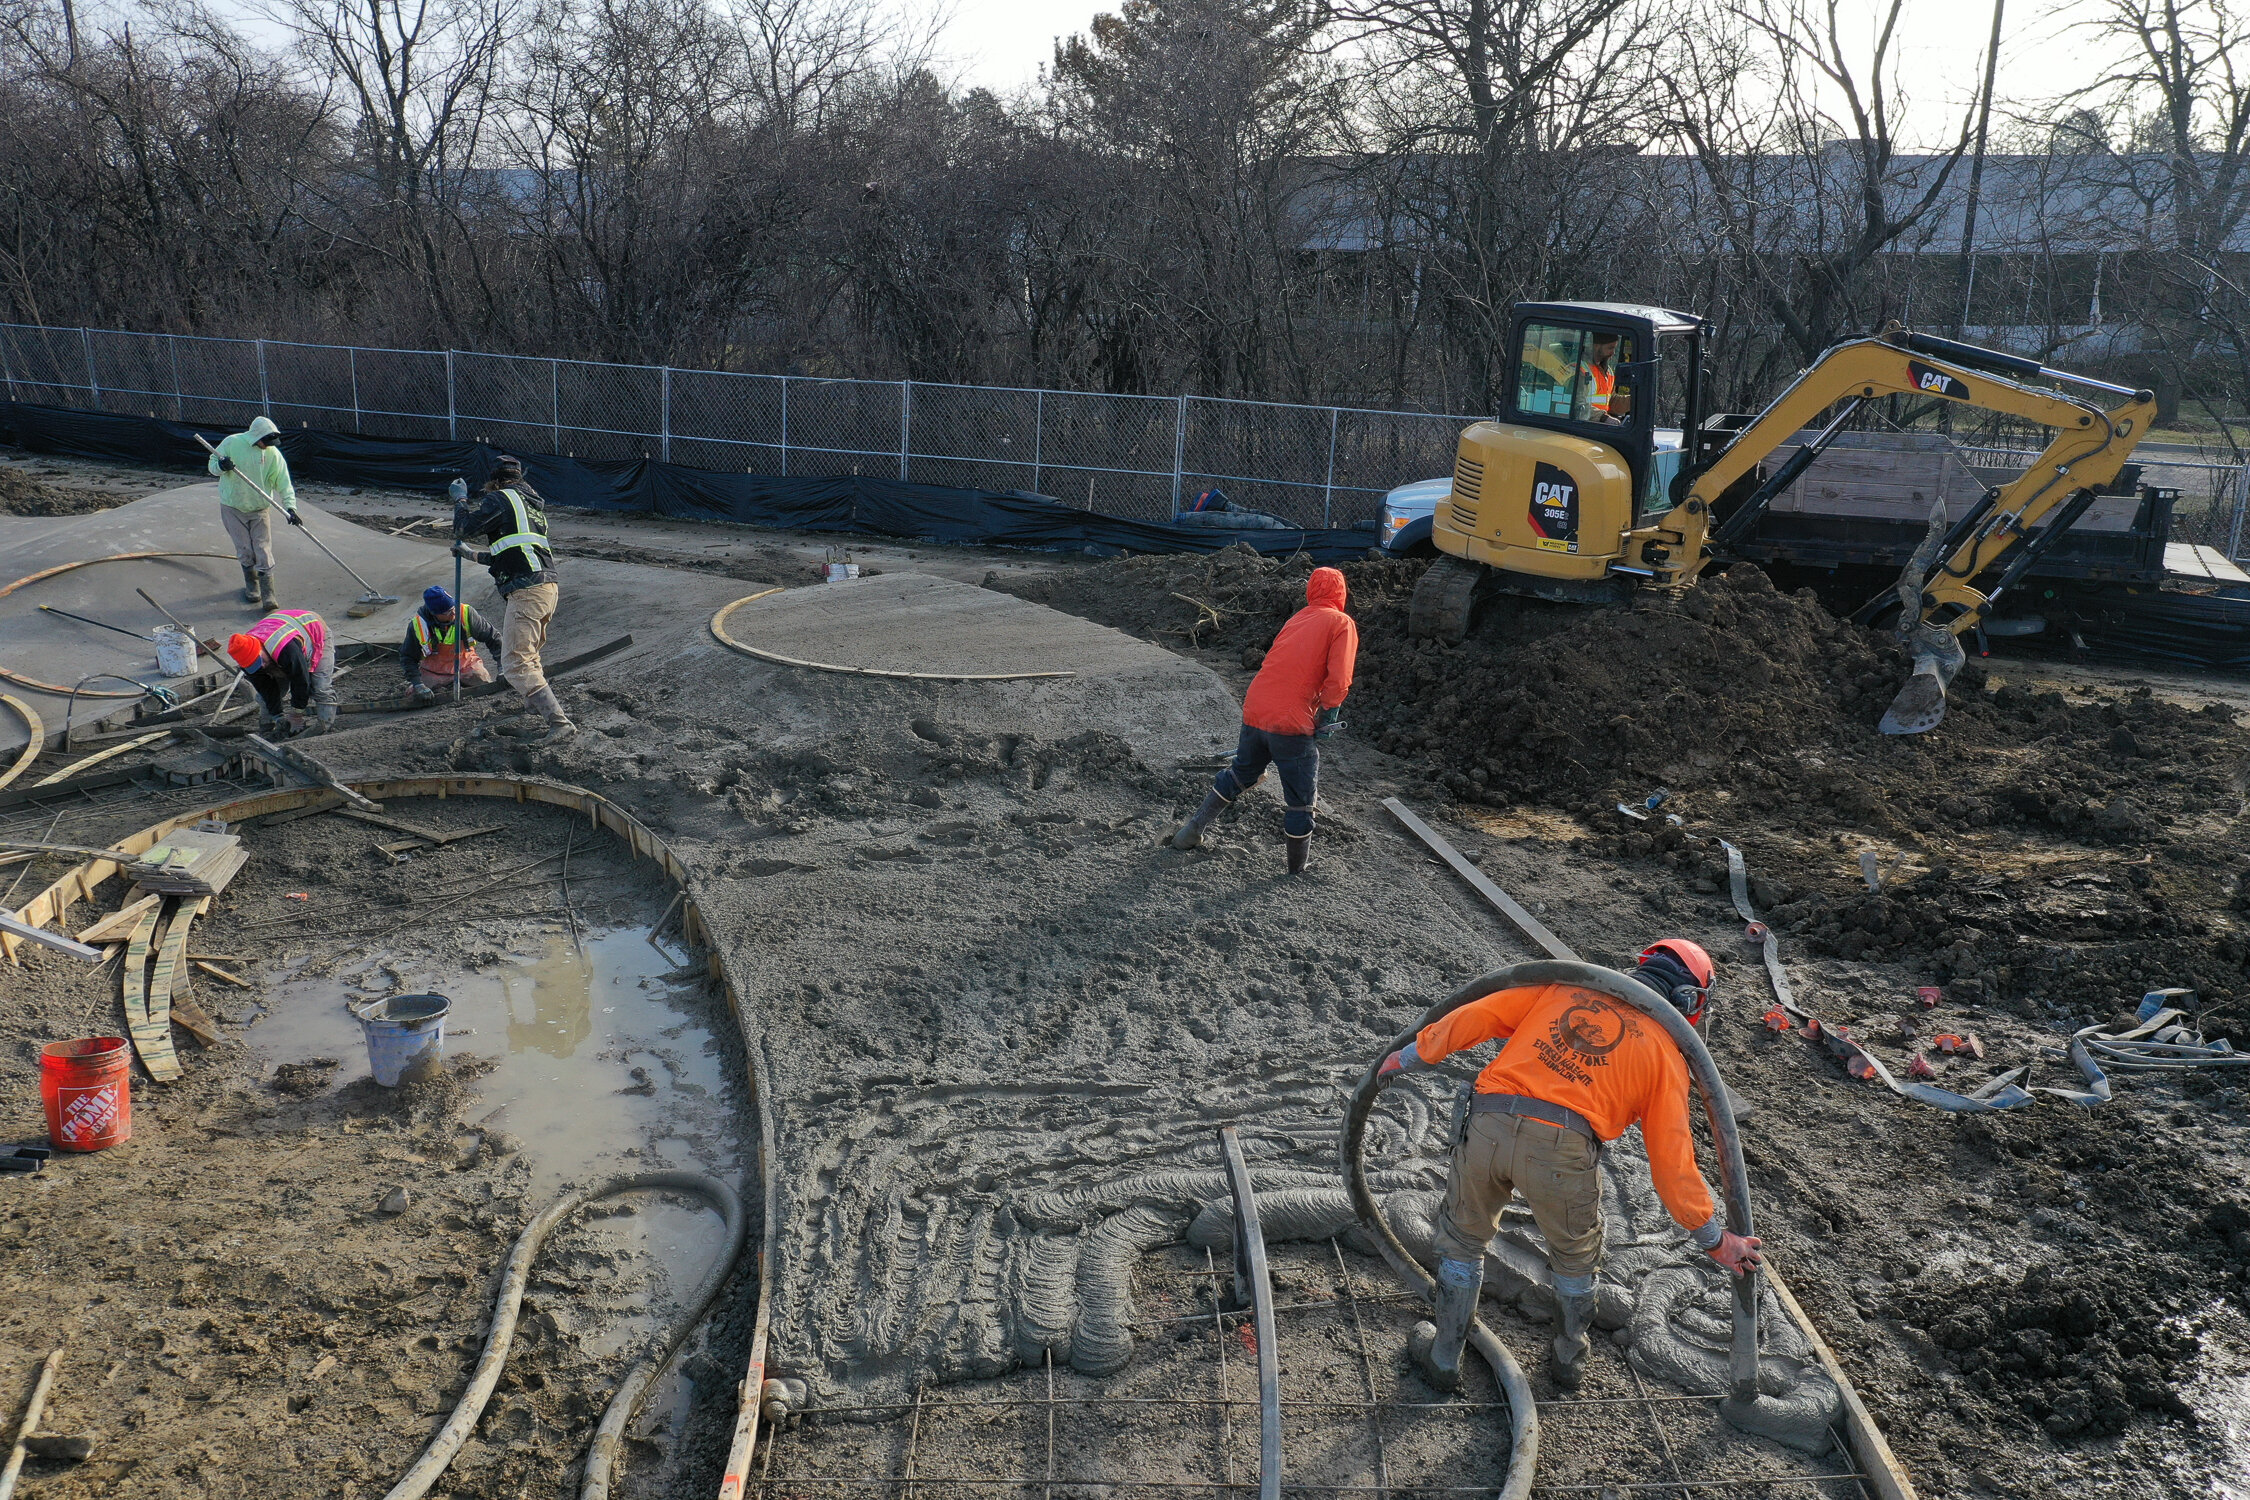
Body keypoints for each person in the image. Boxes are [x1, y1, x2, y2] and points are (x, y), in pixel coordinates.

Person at [1377, 940, 1762, 1392]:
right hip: (1562, 1150)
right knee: (1576, 1260)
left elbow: (1476, 1015)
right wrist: (1712, 1237)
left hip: (1486, 1122)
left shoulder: (1565, 989)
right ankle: (1567, 1362)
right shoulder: (1665, 1055)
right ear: (1690, 1000)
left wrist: (1409, 1056)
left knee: (1462, 1242)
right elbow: (1672, 1159)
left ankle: (1444, 1358)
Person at [1171, 565, 1357, 874]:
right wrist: (1330, 710)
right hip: (1291, 722)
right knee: (1300, 799)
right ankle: (1298, 868)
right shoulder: (1341, 623)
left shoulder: (1297, 618)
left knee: (1240, 773)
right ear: (1341, 595)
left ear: (1311, 591)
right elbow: (1338, 679)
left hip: (1256, 707)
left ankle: (1191, 830)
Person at [450, 456, 572, 742]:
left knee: (516, 661)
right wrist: (469, 554)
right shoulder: (531, 506)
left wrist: (460, 500)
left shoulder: (501, 499)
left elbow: (462, 528)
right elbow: (507, 553)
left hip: (527, 591)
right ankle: (534, 707)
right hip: (546, 587)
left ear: (494, 481)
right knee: (529, 656)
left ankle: (559, 722)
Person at [208, 416, 302, 609]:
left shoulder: (273, 455)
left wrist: (291, 507)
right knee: (244, 549)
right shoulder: (232, 443)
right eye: (265, 442)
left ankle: (268, 594)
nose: (268, 446)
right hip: (232, 506)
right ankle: (252, 586)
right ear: (255, 437)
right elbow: (212, 466)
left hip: (260, 508)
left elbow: (284, 483)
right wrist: (221, 466)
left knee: (263, 549)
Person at [224, 607, 335, 737]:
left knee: (320, 687)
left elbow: (301, 680)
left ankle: (325, 726)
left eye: (261, 661)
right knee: (266, 693)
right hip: (279, 637)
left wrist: (296, 715)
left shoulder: (286, 650)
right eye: (255, 666)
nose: (262, 666)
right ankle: (266, 726)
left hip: (314, 628)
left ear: (260, 648)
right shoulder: (248, 660)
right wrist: (277, 716)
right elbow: (266, 688)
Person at [398, 585, 501, 702]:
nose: (454, 613)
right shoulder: (418, 626)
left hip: (467, 666)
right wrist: (418, 684)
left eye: (453, 608)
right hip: (433, 672)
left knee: (487, 685)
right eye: (448, 612)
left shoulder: (466, 613)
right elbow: (407, 657)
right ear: (434, 613)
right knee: (415, 697)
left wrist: (502, 667)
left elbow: (493, 638)